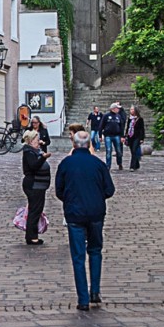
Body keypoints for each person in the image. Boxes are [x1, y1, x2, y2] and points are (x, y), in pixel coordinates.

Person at [54, 129, 116, 310]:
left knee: (78, 256)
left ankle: (82, 298)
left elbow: (59, 191)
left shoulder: (66, 164)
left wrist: (70, 200)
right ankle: (95, 291)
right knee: (95, 250)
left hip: (74, 213)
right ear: (89, 144)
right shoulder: (98, 164)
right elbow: (109, 190)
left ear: (74, 145)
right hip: (96, 212)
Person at [21, 128, 52, 245]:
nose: (38, 141)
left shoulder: (34, 151)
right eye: (36, 140)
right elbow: (34, 166)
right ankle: (32, 236)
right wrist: (43, 158)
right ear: (30, 141)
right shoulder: (29, 152)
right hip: (34, 185)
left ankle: (32, 234)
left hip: (39, 185)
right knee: (35, 210)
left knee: (36, 209)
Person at [100, 102, 125, 171]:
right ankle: (108, 166)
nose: (118, 110)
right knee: (108, 150)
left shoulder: (118, 116)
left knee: (119, 151)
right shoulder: (106, 116)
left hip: (116, 135)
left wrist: (122, 136)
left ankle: (119, 163)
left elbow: (121, 126)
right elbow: (101, 125)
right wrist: (100, 135)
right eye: (117, 108)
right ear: (113, 109)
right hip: (108, 135)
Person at [124, 105, 145, 170]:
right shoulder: (130, 119)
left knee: (134, 150)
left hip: (137, 136)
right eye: (130, 109)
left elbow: (142, 129)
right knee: (132, 151)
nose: (131, 111)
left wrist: (142, 138)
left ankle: (132, 166)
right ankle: (136, 164)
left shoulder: (140, 119)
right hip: (130, 136)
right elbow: (128, 127)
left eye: (132, 109)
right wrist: (125, 135)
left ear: (135, 110)